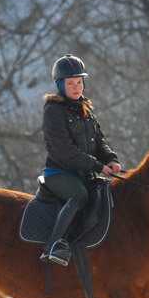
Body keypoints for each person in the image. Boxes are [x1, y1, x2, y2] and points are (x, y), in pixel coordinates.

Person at [39, 54, 121, 266]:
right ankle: (54, 244)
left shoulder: (86, 108)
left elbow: (99, 141)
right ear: (60, 85)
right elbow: (65, 151)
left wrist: (111, 159)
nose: (76, 87)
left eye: (79, 82)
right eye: (70, 83)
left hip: (84, 172)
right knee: (79, 195)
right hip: (59, 174)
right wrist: (97, 166)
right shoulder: (53, 111)